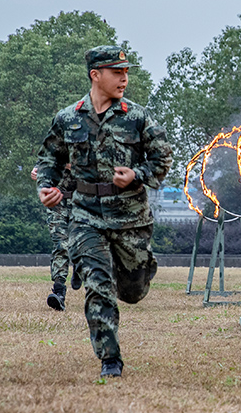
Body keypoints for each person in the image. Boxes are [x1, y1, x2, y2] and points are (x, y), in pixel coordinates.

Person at [35, 45, 173, 378]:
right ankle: (110, 358)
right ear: (96, 75)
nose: (124, 78)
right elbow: (48, 159)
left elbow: (162, 159)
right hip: (85, 216)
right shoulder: (68, 118)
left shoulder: (137, 117)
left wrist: (136, 175)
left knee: (132, 291)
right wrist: (47, 187)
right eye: (117, 72)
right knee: (99, 287)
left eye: (126, 72)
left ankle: (138, 270)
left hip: (131, 219)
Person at [31, 164, 81, 311]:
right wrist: (36, 170)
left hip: (83, 204)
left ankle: (79, 266)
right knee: (61, 245)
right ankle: (59, 292)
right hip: (57, 204)